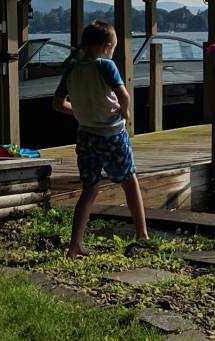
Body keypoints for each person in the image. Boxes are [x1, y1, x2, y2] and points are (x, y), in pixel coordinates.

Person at [52, 21, 148, 257]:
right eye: (113, 47)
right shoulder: (106, 65)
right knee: (129, 181)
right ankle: (142, 235)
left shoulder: (72, 68)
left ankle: (75, 244)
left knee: (90, 188)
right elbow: (123, 96)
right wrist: (125, 111)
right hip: (111, 134)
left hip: (86, 135)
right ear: (107, 46)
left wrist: (83, 110)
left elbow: (57, 104)